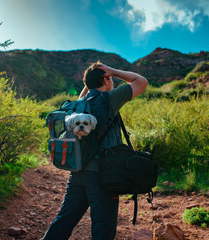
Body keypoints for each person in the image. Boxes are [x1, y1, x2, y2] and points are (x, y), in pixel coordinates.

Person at [42, 61, 148, 240]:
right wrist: (113, 71)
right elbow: (141, 81)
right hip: (103, 176)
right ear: (106, 80)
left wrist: (89, 82)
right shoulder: (109, 99)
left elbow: (83, 97)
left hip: (78, 172)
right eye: (110, 78)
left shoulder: (79, 106)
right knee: (103, 230)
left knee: (64, 220)